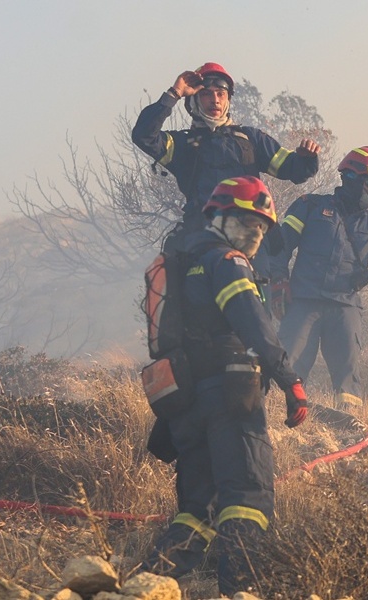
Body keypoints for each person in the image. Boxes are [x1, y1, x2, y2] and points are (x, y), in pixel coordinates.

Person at [141, 176, 309, 596]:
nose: (254, 234)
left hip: (185, 397)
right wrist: (290, 379)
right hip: (230, 395)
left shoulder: (183, 260)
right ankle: (243, 589)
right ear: (218, 217)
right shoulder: (226, 262)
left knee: (198, 507)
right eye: (246, 223)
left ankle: (142, 586)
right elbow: (253, 324)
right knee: (248, 495)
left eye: (261, 228)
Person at [270, 146, 368, 429]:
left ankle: (349, 428)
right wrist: (278, 281)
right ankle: (278, 420)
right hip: (303, 301)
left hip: (346, 306)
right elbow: (280, 247)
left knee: (347, 373)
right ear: (351, 179)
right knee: (289, 362)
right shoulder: (309, 206)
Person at [131, 62, 321, 240]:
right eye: (206, 94)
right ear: (194, 100)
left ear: (228, 99)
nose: (215, 100)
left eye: (221, 94)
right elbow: (143, 135)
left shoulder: (251, 139)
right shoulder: (181, 144)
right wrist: (175, 93)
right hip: (202, 237)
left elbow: (294, 170)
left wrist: (307, 158)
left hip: (250, 238)